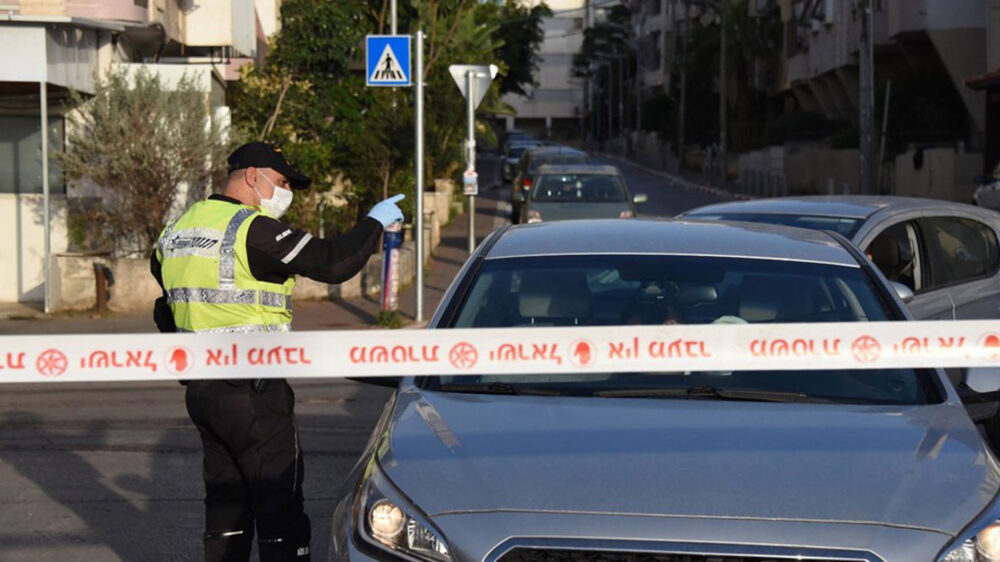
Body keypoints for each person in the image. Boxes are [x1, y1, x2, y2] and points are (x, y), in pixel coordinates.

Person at [150, 141, 405, 562]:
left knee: (225, 510)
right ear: (253, 176)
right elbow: (332, 263)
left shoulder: (176, 231)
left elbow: (166, 308)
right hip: (254, 392)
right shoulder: (250, 228)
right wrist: (373, 224)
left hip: (202, 392)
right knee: (280, 512)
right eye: (282, 181)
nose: (285, 191)